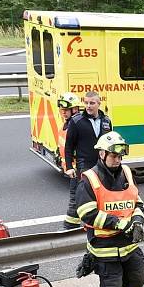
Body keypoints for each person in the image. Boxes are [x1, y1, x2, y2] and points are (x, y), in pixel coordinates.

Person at [75, 132, 144, 287]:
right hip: (104, 249)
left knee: (136, 280)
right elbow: (86, 214)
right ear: (102, 154)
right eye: (113, 155)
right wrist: (118, 224)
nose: (118, 159)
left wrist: (136, 221)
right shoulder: (90, 179)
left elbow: (138, 202)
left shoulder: (126, 172)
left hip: (129, 246)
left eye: (120, 155)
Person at [64, 91, 113, 230]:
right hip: (84, 165)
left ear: (99, 103)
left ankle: (97, 224)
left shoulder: (106, 121)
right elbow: (69, 146)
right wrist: (69, 167)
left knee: (102, 196)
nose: (88, 106)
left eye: (92, 103)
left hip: (102, 166)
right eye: (86, 103)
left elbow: (109, 144)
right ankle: (70, 227)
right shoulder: (76, 121)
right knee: (81, 197)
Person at [56, 92, 84, 228]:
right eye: (62, 110)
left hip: (78, 169)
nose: (63, 113)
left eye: (66, 110)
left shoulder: (77, 125)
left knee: (75, 197)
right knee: (80, 197)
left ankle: (70, 226)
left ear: (75, 109)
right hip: (71, 169)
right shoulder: (65, 125)